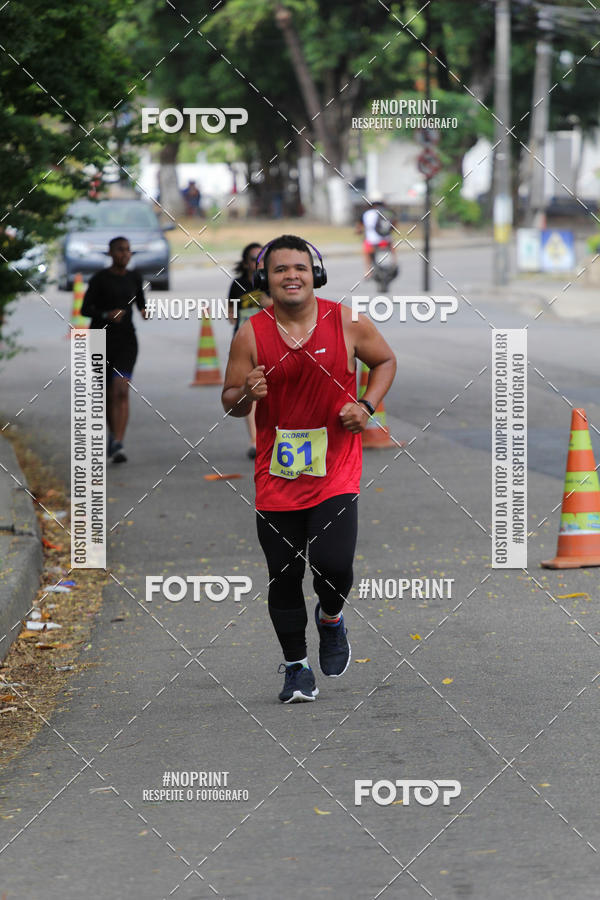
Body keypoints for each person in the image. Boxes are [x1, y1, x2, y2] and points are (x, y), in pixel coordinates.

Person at [222, 235, 396, 703]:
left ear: (314, 273)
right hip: (276, 477)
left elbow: (384, 361)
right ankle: (296, 667)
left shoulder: (347, 321)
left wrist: (367, 405)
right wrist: (246, 396)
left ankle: (332, 616)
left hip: (335, 468)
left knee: (334, 565)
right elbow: (229, 402)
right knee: (283, 573)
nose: (291, 276)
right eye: (281, 270)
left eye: (300, 267)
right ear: (266, 280)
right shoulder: (250, 334)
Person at [81, 236, 148, 463]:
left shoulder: (134, 277)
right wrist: (105, 314)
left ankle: (119, 442)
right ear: (110, 253)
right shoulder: (99, 279)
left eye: (128, 250)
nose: (125, 254)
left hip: (126, 341)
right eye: (120, 250)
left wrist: (145, 312)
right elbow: (85, 309)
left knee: (122, 389)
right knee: (108, 393)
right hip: (101, 339)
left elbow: (141, 305)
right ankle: (112, 434)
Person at [227, 243, 272, 459]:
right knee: (250, 390)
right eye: (254, 258)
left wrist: (268, 304)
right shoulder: (238, 284)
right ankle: (255, 440)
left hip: (269, 341)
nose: (258, 262)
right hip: (246, 342)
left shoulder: (270, 282)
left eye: (261, 258)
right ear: (246, 263)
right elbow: (231, 313)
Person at [357, 191, 398, 279]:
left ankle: (368, 271)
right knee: (392, 248)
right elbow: (394, 224)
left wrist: (359, 231)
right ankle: (394, 264)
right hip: (386, 240)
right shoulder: (387, 212)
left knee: (366, 252)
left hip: (372, 241)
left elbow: (359, 227)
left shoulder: (366, 214)